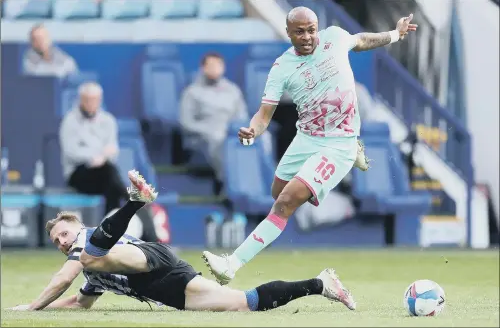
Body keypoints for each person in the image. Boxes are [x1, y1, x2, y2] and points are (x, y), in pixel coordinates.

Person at [202, 7, 418, 289]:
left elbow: (362, 40)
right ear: (288, 33)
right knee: (276, 193)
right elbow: (264, 115)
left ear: (319, 28)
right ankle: (348, 157)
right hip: (306, 138)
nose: (307, 37)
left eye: (311, 30)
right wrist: (252, 131)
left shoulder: (336, 38)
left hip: (338, 143)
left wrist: (394, 34)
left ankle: (232, 264)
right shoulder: (281, 67)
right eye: (300, 31)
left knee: (284, 203)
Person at [8, 170, 356, 312]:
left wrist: (34, 305)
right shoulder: (91, 269)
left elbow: (63, 277)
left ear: (77, 227)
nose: (62, 242)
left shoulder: (84, 246)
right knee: (243, 304)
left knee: (88, 256)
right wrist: (31, 308)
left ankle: (135, 201)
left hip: (148, 258)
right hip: (164, 286)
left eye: (63, 234)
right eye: (56, 241)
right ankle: (319, 284)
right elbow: (78, 304)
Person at [180, 52, 248, 195]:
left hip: (231, 132)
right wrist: (206, 129)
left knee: (263, 137)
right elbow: (185, 122)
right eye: (210, 65)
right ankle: (226, 183)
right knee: (218, 138)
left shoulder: (233, 90)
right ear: (203, 68)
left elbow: (242, 117)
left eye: (218, 65)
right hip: (203, 137)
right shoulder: (192, 92)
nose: (215, 68)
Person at [59, 82, 128, 214]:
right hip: (78, 173)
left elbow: (113, 150)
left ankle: (109, 225)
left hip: (104, 172)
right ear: (81, 99)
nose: (91, 103)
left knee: (110, 180)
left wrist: (101, 158)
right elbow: (71, 151)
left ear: (100, 100)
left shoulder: (108, 121)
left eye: (94, 99)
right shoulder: (70, 121)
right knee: (110, 174)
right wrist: (95, 156)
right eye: (87, 99)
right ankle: (129, 201)